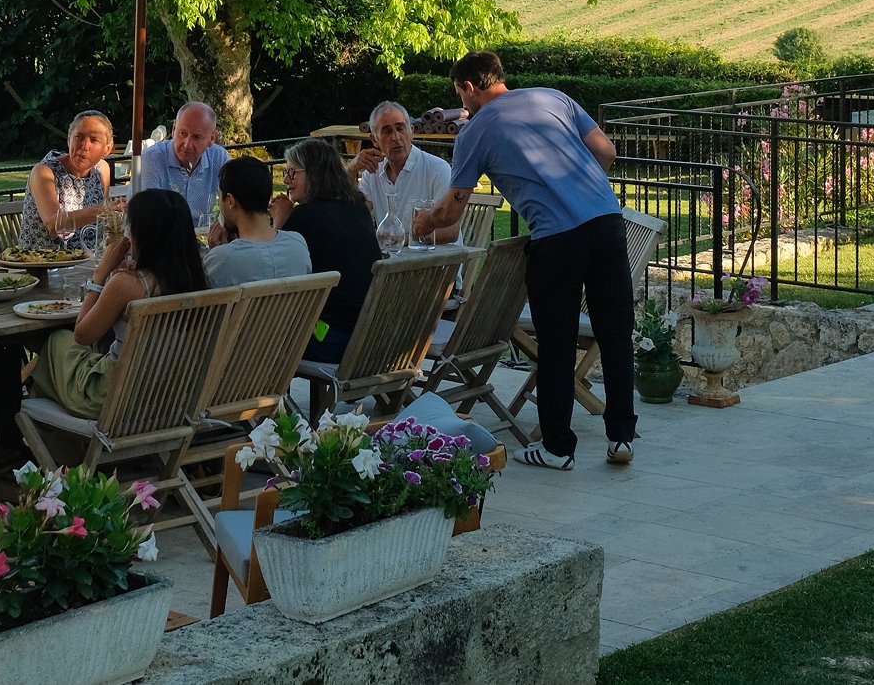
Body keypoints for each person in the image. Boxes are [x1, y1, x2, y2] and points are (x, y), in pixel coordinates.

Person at [414, 50, 636, 470]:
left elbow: (450, 211)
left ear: (468, 88)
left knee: (556, 342)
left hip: (556, 238)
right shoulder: (553, 97)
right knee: (615, 332)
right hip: (607, 221)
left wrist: (421, 223)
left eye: (461, 96)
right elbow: (605, 152)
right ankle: (621, 437)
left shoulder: (474, 132)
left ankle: (557, 447)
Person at [27, 189, 208, 421]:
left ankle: (41, 436)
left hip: (116, 398)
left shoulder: (127, 284)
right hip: (171, 394)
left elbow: (82, 335)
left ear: (139, 233)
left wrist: (100, 276)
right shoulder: (196, 276)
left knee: (56, 342)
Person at [270, 138, 381, 363]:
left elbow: (272, 266)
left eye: (292, 172)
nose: (286, 180)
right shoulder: (357, 206)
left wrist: (280, 221)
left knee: (261, 338)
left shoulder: (305, 216)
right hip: (369, 337)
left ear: (314, 173)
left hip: (333, 341)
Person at [347, 100, 458, 244]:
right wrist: (350, 170)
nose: (396, 137)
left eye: (400, 128)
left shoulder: (437, 169)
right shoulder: (373, 172)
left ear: (411, 131)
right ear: (375, 140)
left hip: (437, 262)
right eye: (387, 131)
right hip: (394, 261)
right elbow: (354, 216)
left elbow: (451, 231)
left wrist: (399, 239)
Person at [204, 156, 311, 286]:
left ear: (230, 201)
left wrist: (217, 254)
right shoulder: (298, 244)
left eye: (220, 197)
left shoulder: (221, 260)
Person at [18, 110, 116, 251]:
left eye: (94, 140)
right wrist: (103, 210)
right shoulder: (45, 172)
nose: (84, 145)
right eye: (79, 137)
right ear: (69, 139)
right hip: (43, 264)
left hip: (86, 262)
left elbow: (104, 225)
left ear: (107, 149)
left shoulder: (102, 170)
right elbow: (53, 224)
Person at [139, 101, 229, 237]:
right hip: (158, 241)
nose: (187, 144)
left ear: (211, 138)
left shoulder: (218, 157)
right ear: (174, 129)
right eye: (182, 133)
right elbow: (150, 216)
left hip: (202, 243)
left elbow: (235, 200)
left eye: (197, 137)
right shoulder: (152, 159)